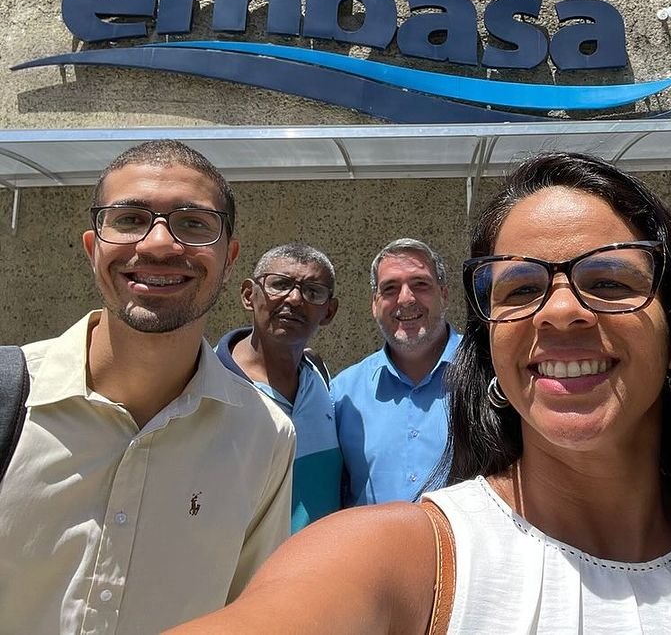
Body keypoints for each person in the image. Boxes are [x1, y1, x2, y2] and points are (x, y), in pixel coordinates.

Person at [170, 151, 671, 634]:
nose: (560, 312)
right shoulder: (397, 559)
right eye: (520, 289)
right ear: (491, 348)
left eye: (608, 282)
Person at [0, 140, 295, 633]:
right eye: (130, 219)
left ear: (228, 259)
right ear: (93, 249)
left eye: (194, 223)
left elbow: (249, 617)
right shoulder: (10, 396)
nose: (158, 244)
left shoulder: (265, 438)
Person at [215, 242, 343, 532]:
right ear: (248, 295)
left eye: (313, 291)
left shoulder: (319, 376)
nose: (295, 299)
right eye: (280, 284)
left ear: (329, 312)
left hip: (324, 559)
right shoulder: (208, 385)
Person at [332, 238, 461, 505]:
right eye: (390, 288)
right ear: (374, 304)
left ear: (444, 294)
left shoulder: (490, 372)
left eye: (420, 284)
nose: (406, 298)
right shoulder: (342, 394)